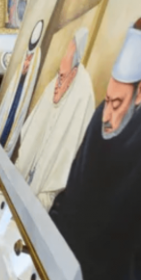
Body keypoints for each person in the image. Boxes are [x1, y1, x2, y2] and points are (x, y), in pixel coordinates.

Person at [50, 12, 141, 280]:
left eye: (117, 104)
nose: (107, 117)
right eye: (108, 100)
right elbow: (75, 192)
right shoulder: (103, 113)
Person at [14, 27, 95, 210]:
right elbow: (39, 117)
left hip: (58, 150)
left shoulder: (84, 89)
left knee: (50, 176)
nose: (58, 83)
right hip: (38, 151)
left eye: (63, 77)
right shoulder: (56, 80)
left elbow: (77, 133)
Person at [0, 19, 44, 157]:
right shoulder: (25, 52)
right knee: (7, 115)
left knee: (14, 119)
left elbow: (32, 72)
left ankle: (6, 147)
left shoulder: (37, 54)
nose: (26, 64)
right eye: (26, 60)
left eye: (29, 61)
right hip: (16, 90)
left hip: (23, 93)